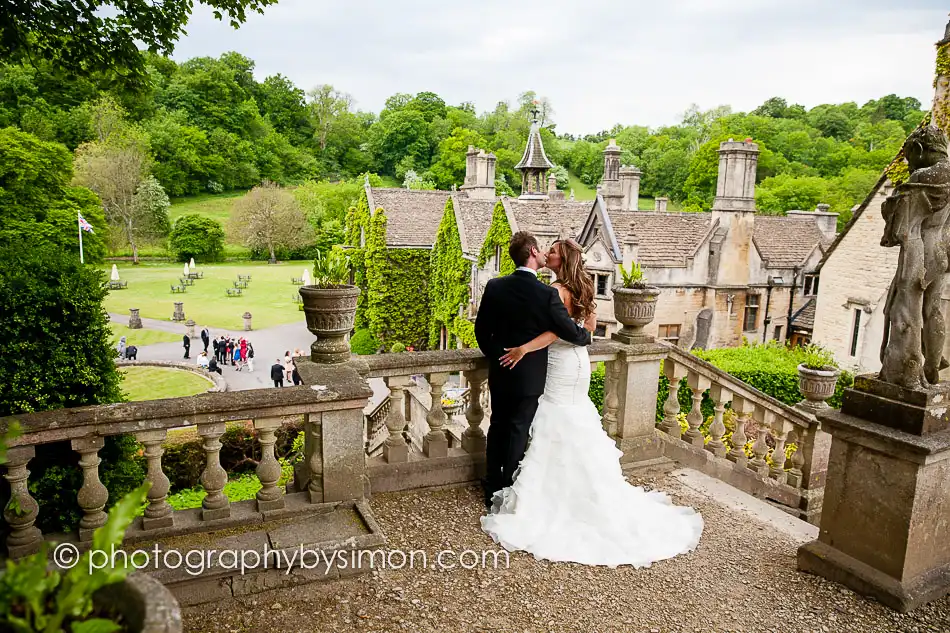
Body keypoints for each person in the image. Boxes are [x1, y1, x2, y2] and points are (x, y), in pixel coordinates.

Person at [478, 234, 703, 568]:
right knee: (551, 422)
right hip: (573, 364)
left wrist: (517, 349)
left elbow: (554, 332)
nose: (548, 254)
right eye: (545, 250)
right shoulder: (572, 289)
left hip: (552, 365)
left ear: (559, 259)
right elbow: (580, 330)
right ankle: (545, 487)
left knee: (524, 423)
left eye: (552, 251)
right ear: (534, 254)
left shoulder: (545, 290)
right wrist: (581, 334)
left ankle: (513, 488)